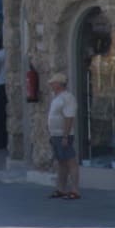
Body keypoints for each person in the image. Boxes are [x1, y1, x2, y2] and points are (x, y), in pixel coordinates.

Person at [47, 71, 80, 199]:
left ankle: (75, 190)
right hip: (55, 135)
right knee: (61, 162)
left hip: (63, 135)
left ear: (59, 84)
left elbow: (69, 117)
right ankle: (61, 189)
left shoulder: (68, 98)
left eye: (53, 83)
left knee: (71, 162)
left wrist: (65, 136)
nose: (51, 85)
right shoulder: (57, 98)